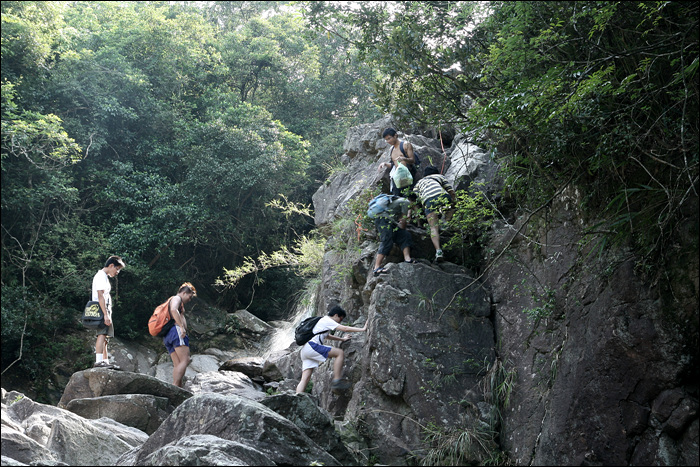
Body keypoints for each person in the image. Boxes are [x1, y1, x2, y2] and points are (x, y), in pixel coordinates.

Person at [296, 305, 368, 394]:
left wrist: (342, 339)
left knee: (305, 379)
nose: (340, 322)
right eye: (340, 319)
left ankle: (296, 398)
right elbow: (345, 328)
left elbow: (328, 336)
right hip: (312, 347)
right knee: (339, 353)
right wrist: (363, 329)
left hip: (305, 351)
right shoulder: (327, 320)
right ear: (336, 315)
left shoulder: (322, 321)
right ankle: (337, 380)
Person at [413, 166, 456, 262]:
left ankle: (438, 251)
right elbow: (451, 192)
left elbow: (415, 201)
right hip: (443, 196)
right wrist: (454, 204)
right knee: (451, 206)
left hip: (428, 201)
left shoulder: (419, 183)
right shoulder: (439, 176)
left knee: (433, 227)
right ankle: (446, 223)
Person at [92, 255, 126, 369]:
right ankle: (98, 361)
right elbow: (100, 295)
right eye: (117, 269)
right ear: (111, 265)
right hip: (102, 308)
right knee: (101, 333)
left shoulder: (104, 276)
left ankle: (105, 361)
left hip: (105, 308)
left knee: (105, 336)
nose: (117, 272)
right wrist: (105, 315)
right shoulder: (101, 276)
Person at [372, 194, 417, 276]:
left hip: (390, 222)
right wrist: (404, 222)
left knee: (405, 235)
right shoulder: (406, 202)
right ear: (413, 202)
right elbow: (403, 223)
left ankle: (407, 259)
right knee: (387, 240)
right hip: (383, 220)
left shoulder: (399, 201)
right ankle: (376, 267)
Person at [163, 282, 197, 387]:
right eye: (190, 297)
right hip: (175, 332)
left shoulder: (176, 302)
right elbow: (173, 309)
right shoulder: (176, 298)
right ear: (184, 293)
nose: (189, 300)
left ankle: (177, 387)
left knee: (177, 364)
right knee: (186, 359)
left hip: (167, 335)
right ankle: (175, 385)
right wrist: (181, 327)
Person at [378, 128, 418, 197]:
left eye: (389, 138)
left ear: (395, 136)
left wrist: (403, 158)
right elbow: (394, 165)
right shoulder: (392, 150)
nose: (388, 141)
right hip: (398, 178)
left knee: (410, 197)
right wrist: (385, 164)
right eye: (386, 140)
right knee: (397, 197)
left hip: (408, 175)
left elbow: (412, 160)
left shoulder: (406, 145)